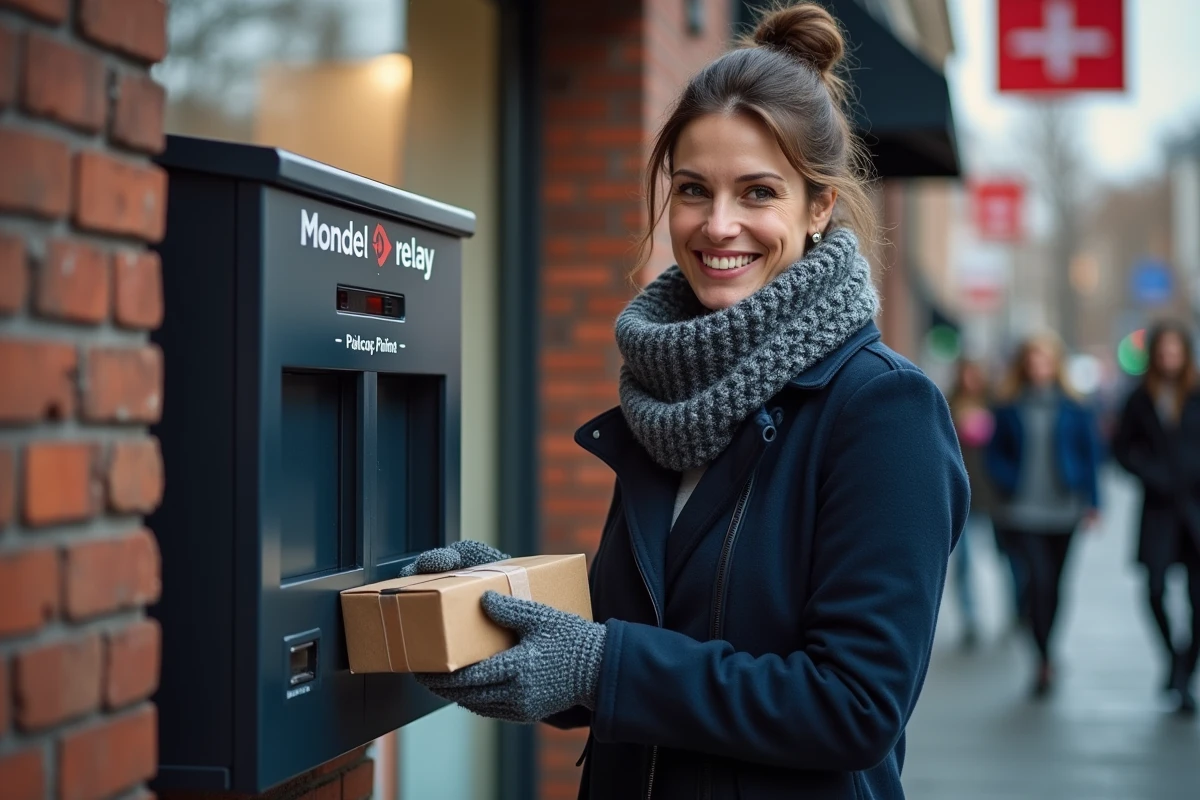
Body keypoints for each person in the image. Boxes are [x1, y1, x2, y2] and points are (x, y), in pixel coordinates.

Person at [404, 4, 969, 797]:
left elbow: (855, 705)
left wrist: (601, 667)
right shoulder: (669, 393)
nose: (718, 224)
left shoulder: (883, 412)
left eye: (758, 192)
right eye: (694, 190)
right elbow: (632, 652)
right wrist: (499, 606)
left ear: (819, 208)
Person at [986, 332, 1102, 697]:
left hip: (1063, 509)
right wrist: (1005, 481)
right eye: (1033, 361)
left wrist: (1094, 502)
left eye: (1046, 361)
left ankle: (1047, 650)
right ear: (1024, 366)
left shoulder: (1075, 406)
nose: (1039, 368)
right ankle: (1042, 657)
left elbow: (1090, 456)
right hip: (1022, 510)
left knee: (1056, 585)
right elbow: (994, 454)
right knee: (1037, 580)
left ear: (1056, 365)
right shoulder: (1007, 405)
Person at [1111, 320, 1200, 714]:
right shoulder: (1138, 399)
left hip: (1197, 509)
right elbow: (1121, 448)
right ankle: (1172, 657)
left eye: (1175, 351)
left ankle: (1184, 674)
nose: (1169, 357)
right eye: (1162, 351)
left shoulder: (1197, 394)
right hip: (1159, 510)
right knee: (1154, 589)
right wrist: (1151, 473)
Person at [947, 358, 1000, 647]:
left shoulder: (995, 404)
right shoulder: (947, 404)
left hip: (993, 493)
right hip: (962, 494)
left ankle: (1017, 613)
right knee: (964, 561)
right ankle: (970, 619)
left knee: (1004, 556)